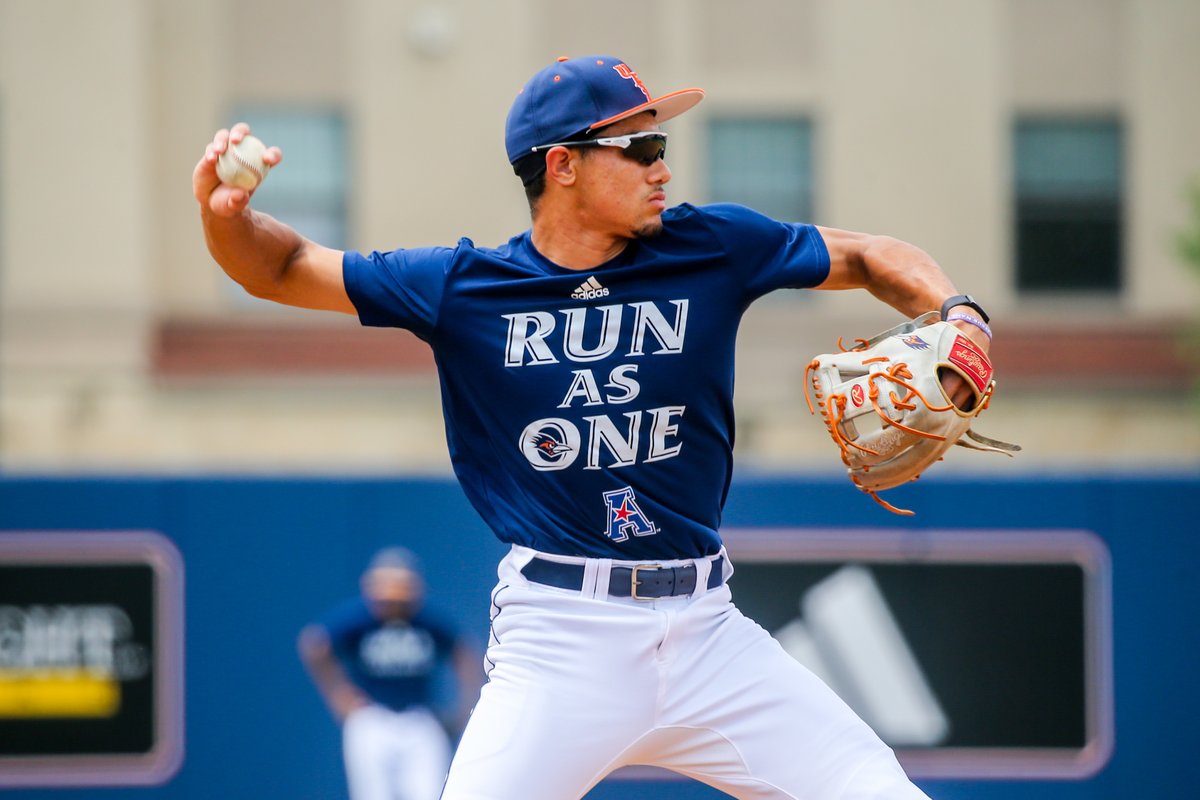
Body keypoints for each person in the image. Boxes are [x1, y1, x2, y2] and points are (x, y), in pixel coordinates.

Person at [195, 54, 996, 799]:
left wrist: (961, 317)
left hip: (709, 634)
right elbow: (282, 267)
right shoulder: (465, 288)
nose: (662, 167)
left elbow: (870, 255)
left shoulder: (712, 246)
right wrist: (225, 216)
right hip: (560, 640)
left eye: (660, 145)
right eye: (638, 148)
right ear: (562, 164)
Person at [297, 547, 480, 800]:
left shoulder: (426, 621)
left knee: (430, 793)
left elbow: (464, 652)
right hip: (372, 716)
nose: (393, 605)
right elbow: (314, 644)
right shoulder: (360, 619)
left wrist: (464, 709)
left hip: (419, 717)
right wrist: (339, 694)